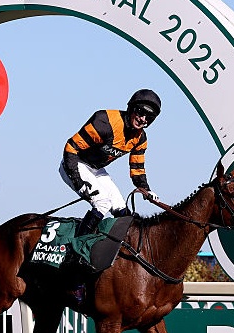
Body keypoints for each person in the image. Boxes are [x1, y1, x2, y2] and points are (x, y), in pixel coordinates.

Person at [59, 88, 162, 240]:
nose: (143, 119)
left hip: (96, 169)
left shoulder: (140, 138)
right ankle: (76, 249)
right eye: (140, 112)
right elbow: (70, 149)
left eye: (149, 117)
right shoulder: (104, 122)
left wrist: (146, 190)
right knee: (102, 203)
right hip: (74, 163)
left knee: (122, 210)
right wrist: (77, 180)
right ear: (131, 108)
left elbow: (137, 169)